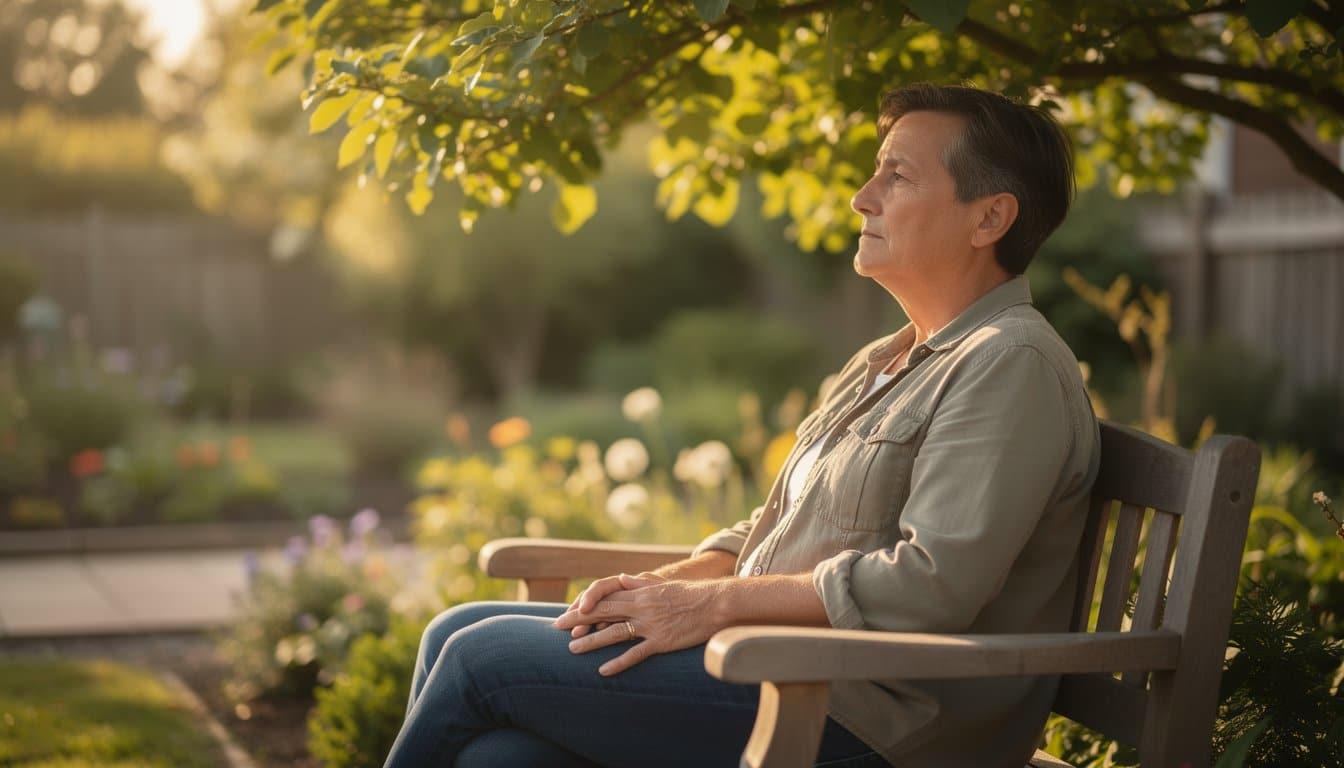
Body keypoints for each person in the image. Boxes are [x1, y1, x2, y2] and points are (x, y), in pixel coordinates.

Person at [384, 83, 1100, 768]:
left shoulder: (1011, 362)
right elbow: (784, 523)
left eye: (898, 178)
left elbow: (929, 583)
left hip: (881, 721)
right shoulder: (892, 356)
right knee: (493, 739)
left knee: (480, 659)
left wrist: (712, 605)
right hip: (785, 669)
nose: (862, 197)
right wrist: (664, 588)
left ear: (988, 219)